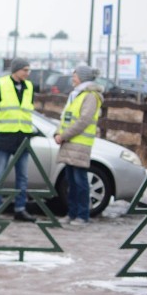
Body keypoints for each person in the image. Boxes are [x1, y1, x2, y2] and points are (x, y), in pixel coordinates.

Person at [53, 65, 103, 226]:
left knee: (80, 181)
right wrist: (57, 133)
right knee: (71, 181)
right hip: (70, 143)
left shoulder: (90, 96)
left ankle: (82, 214)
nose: (72, 79)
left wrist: (64, 135)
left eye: (75, 76)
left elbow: (84, 120)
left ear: (82, 77)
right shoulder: (76, 94)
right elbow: (66, 117)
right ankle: (72, 213)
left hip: (79, 143)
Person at [0, 57, 36, 222]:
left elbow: (29, 111)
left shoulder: (29, 87)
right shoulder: (1, 84)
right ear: (16, 70)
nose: (28, 73)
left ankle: (20, 209)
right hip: (5, 136)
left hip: (23, 137)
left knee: (22, 176)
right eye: (25, 70)